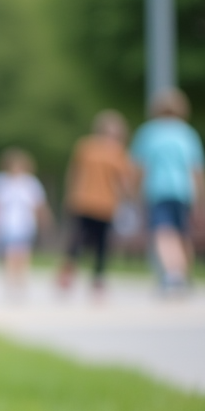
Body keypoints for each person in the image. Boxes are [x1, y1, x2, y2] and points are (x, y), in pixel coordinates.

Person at [129, 88, 205, 295]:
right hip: (184, 191)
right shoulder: (188, 133)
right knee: (183, 234)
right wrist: (203, 201)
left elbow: (139, 168)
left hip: (158, 190)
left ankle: (174, 275)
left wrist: (134, 194)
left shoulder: (148, 132)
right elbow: (197, 171)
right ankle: (183, 274)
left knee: (163, 233)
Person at [56, 110, 134, 299]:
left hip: (93, 202)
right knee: (95, 242)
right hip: (96, 202)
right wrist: (130, 198)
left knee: (85, 240)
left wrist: (70, 194)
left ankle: (79, 275)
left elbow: (74, 173)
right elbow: (124, 181)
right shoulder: (113, 150)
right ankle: (89, 278)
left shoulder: (87, 146)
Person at [0, 148, 50, 297]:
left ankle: (21, 281)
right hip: (5, 223)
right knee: (10, 253)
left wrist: (44, 222)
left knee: (22, 253)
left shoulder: (31, 183)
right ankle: (10, 283)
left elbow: (38, 205)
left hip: (25, 223)